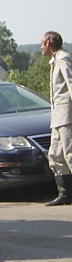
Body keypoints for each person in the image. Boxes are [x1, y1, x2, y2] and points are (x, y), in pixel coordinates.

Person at [41, 31, 72, 206]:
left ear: (48, 43)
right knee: (55, 155)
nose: (40, 48)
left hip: (67, 114)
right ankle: (65, 193)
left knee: (70, 153)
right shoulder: (55, 60)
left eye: (42, 44)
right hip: (58, 116)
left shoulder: (63, 59)